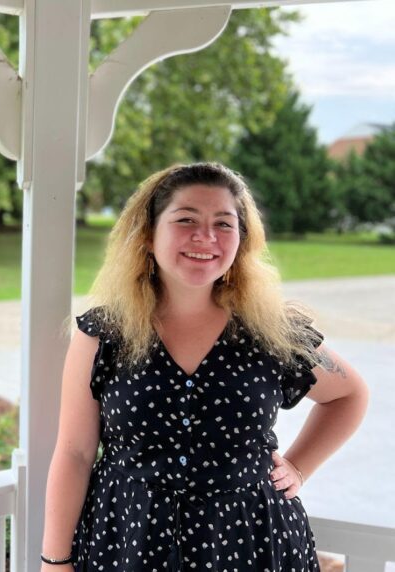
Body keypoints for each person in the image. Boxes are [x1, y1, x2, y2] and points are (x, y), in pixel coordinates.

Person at [40, 162, 369, 571]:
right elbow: (74, 453)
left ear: (242, 241)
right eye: (186, 219)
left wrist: (300, 465)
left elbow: (349, 394)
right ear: (148, 235)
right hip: (128, 542)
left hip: (252, 543)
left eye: (224, 224)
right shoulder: (103, 334)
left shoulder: (273, 331)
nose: (206, 237)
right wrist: (55, 560)